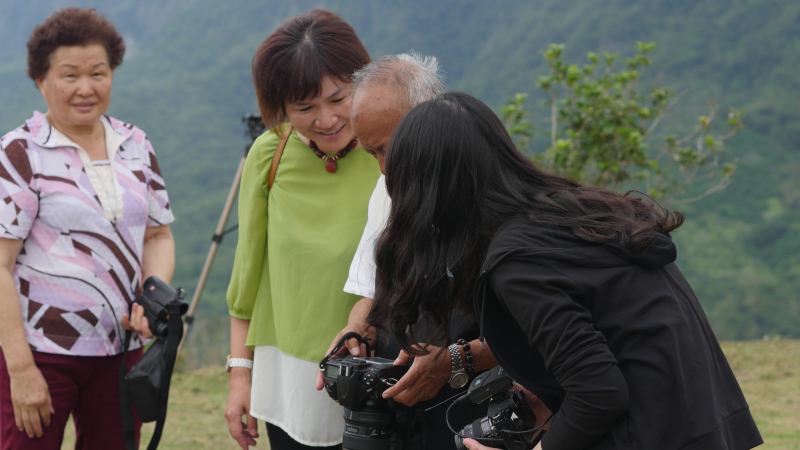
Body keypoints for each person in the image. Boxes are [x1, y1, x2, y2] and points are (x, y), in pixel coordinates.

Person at [367, 92, 764, 450]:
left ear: (430, 192)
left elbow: (599, 393)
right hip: (705, 425)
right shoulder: (571, 212)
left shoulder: (518, 260)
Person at [0, 8, 175, 450]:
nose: (85, 88)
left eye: (98, 73)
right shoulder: (20, 152)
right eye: (69, 75)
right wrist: (20, 368)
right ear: (40, 80)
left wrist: (151, 300)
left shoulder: (135, 144)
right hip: (41, 351)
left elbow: (157, 235)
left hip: (121, 351)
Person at [317, 54, 501, 450]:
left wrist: (454, 361)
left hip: (474, 416)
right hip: (402, 415)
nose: (384, 169)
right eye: (372, 153)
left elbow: (535, 337)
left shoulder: (493, 201)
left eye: (391, 148)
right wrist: (357, 332)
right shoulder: (386, 190)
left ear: (432, 121)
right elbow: (372, 292)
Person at [224, 10, 379, 450]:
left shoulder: (391, 149)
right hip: (289, 373)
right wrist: (240, 377)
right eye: (304, 108)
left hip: (375, 362)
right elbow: (246, 279)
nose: (326, 120)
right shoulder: (269, 154)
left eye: (338, 98)